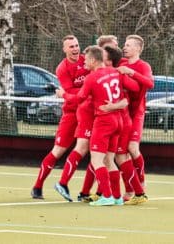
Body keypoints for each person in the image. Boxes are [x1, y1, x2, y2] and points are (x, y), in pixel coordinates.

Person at [58, 45, 140, 206]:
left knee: (97, 160)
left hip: (103, 122)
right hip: (118, 121)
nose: (84, 63)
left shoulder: (92, 78)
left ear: (94, 60)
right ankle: (117, 197)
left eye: (87, 60)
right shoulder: (115, 72)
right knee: (109, 160)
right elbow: (133, 90)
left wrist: (63, 95)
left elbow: (79, 98)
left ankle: (107, 195)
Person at [31, 35, 89, 199]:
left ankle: (88, 192)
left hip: (87, 113)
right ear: (64, 50)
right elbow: (70, 93)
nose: (75, 49)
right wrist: (88, 91)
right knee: (58, 151)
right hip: (71, 113)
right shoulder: (62, 69)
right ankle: (37, 186)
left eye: (77, 45)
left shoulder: (87, 61)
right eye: (71, 47)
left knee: (95, 152)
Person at [117, 35, 154, 200]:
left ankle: (141, 180)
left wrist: (131, 72)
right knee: (120, 153)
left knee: (133, 148)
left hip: (136, 113)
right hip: (122, 113)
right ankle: (130, 189)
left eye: (129, 45)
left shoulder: (143, 66)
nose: (125, 48)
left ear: (138, 48)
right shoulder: (121, 63)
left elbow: (150, 83)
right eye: (124, 45)